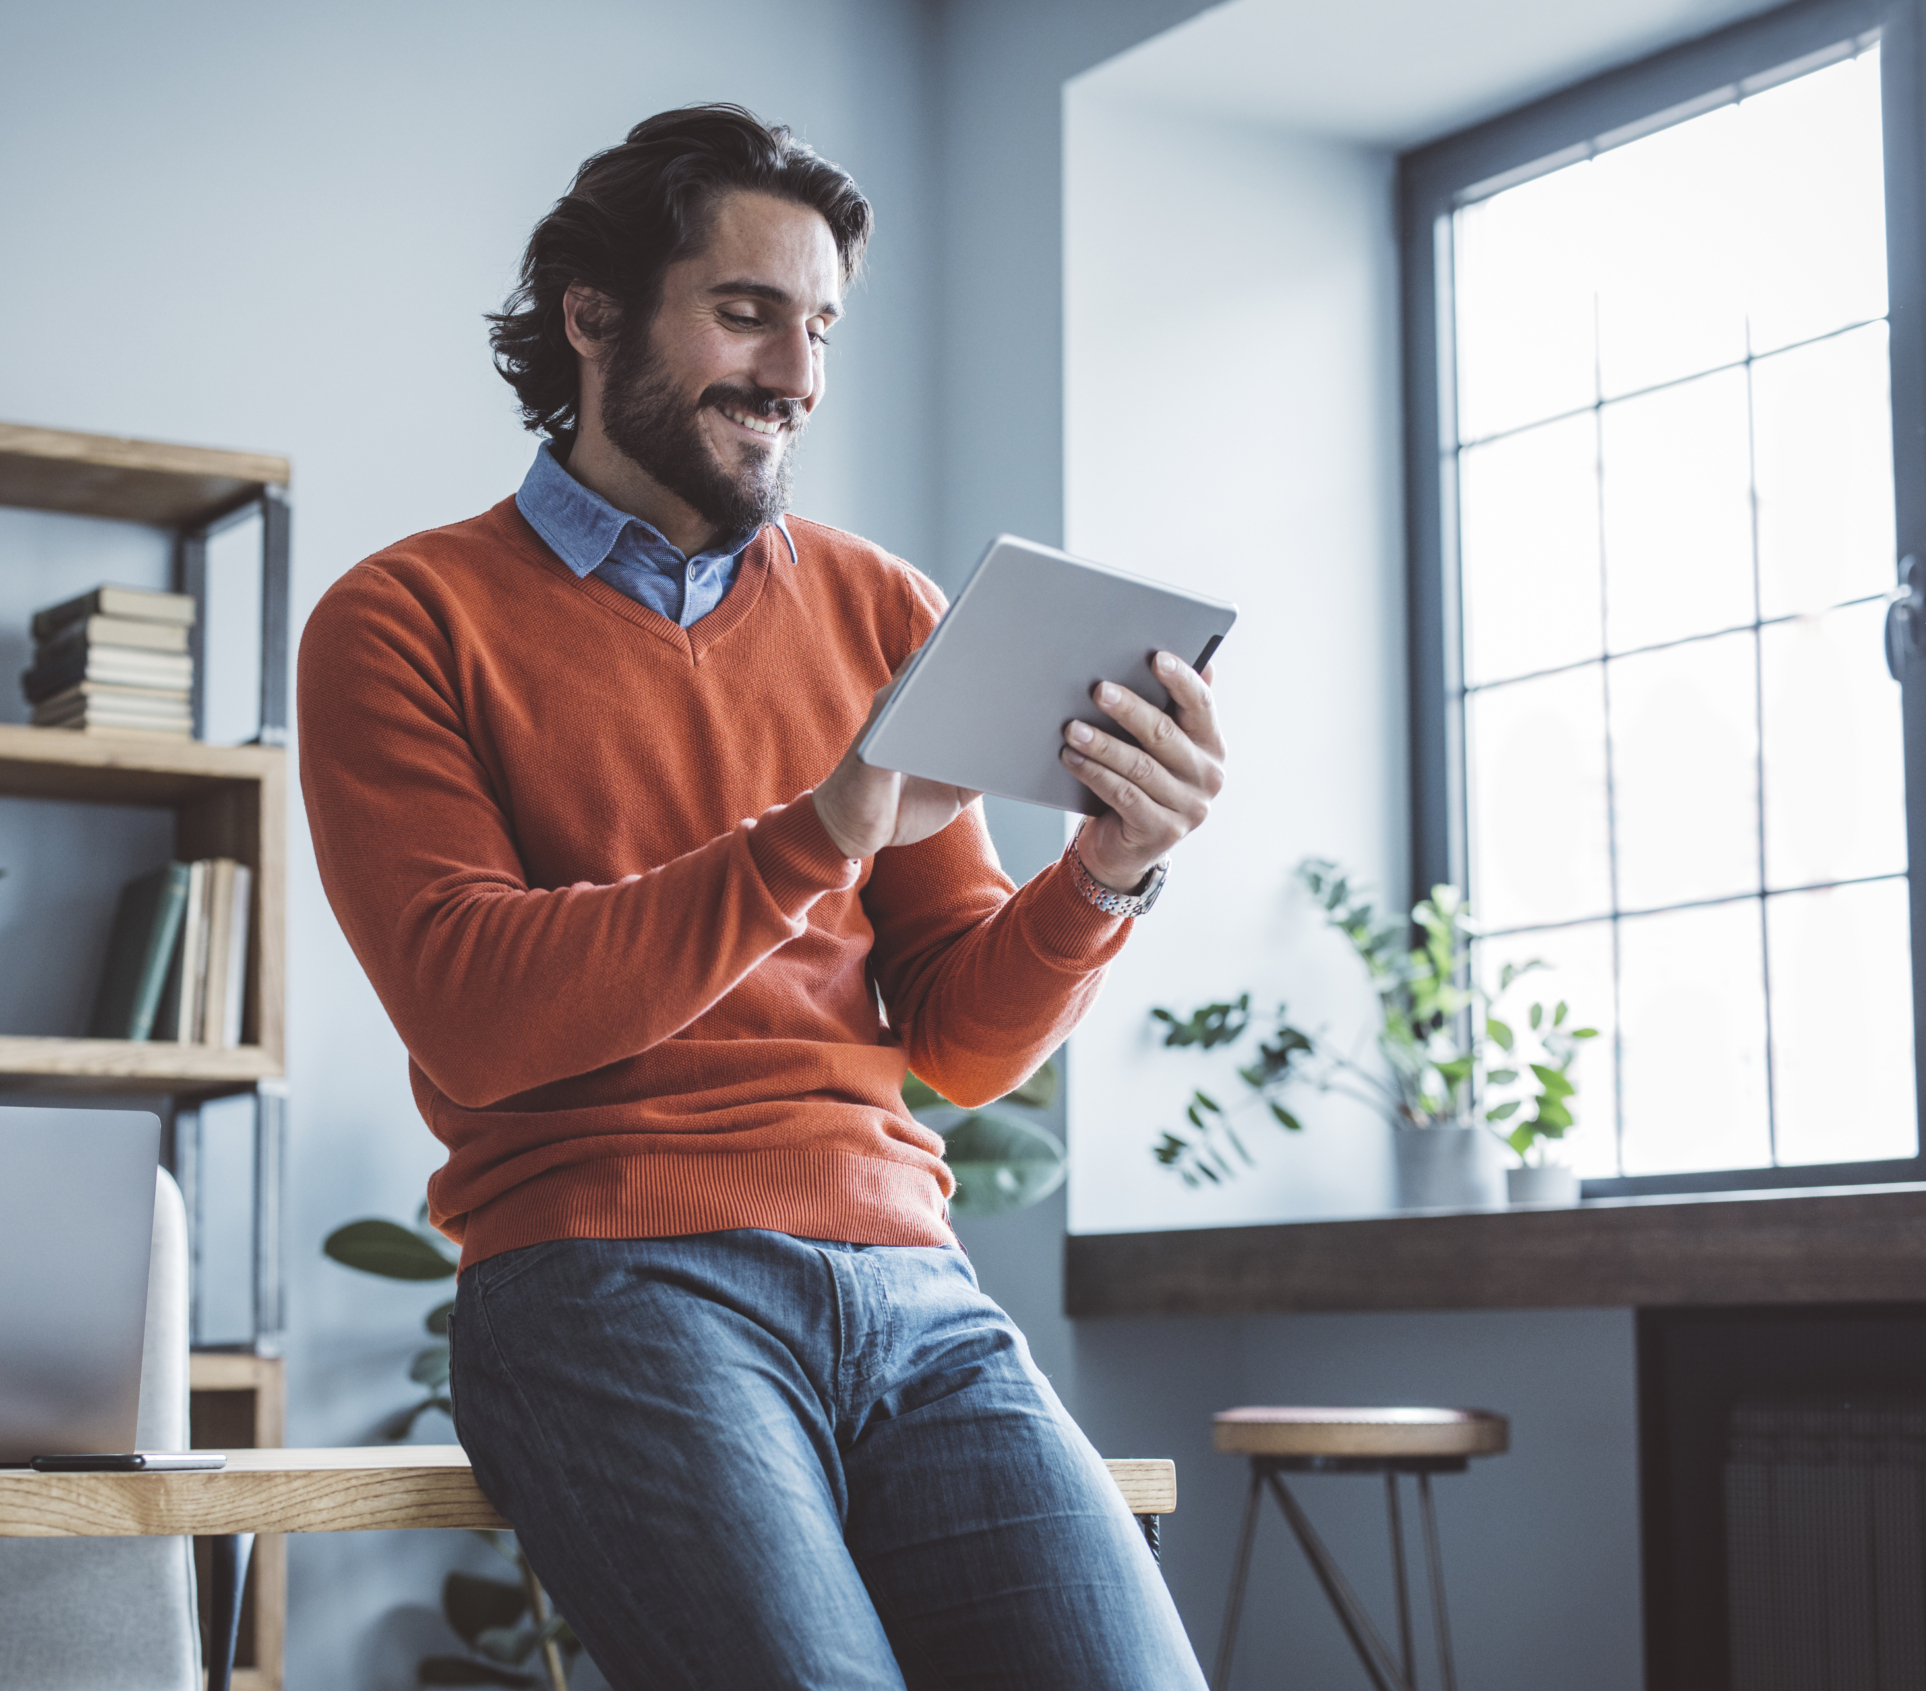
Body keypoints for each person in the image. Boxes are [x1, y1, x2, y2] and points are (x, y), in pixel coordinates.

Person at [297, 104, 1220, 1691]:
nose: (795, 374)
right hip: (609, 1279)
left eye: (820, 328)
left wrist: (1106, 870)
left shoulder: (884, 609)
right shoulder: (402, 620)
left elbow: (961, 1041)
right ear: (592, 318)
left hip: (914, 1287)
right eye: (743, 313)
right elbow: (476, 1008)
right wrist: (814, 834)